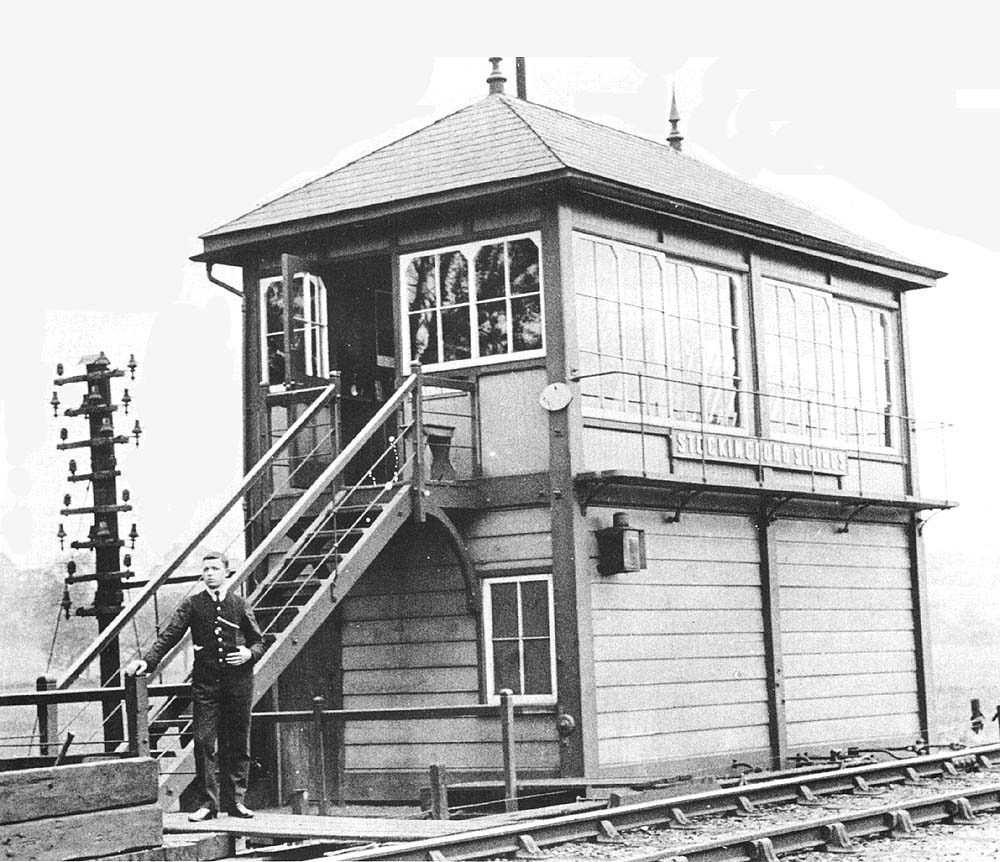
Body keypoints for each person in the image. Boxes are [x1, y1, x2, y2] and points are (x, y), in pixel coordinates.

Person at [126, 552, 265, 821]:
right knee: (202, 741)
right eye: (205, 569)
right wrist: (148, 661)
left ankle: (236, 801)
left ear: (226, 572)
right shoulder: (192, 605)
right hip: (206, 685)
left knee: (238, 741)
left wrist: (249, 654)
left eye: (215, 568)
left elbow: (259, 641)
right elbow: (169, 635)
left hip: (238, 684)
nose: (210, 573)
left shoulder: (239, 604)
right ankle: (207, 804)